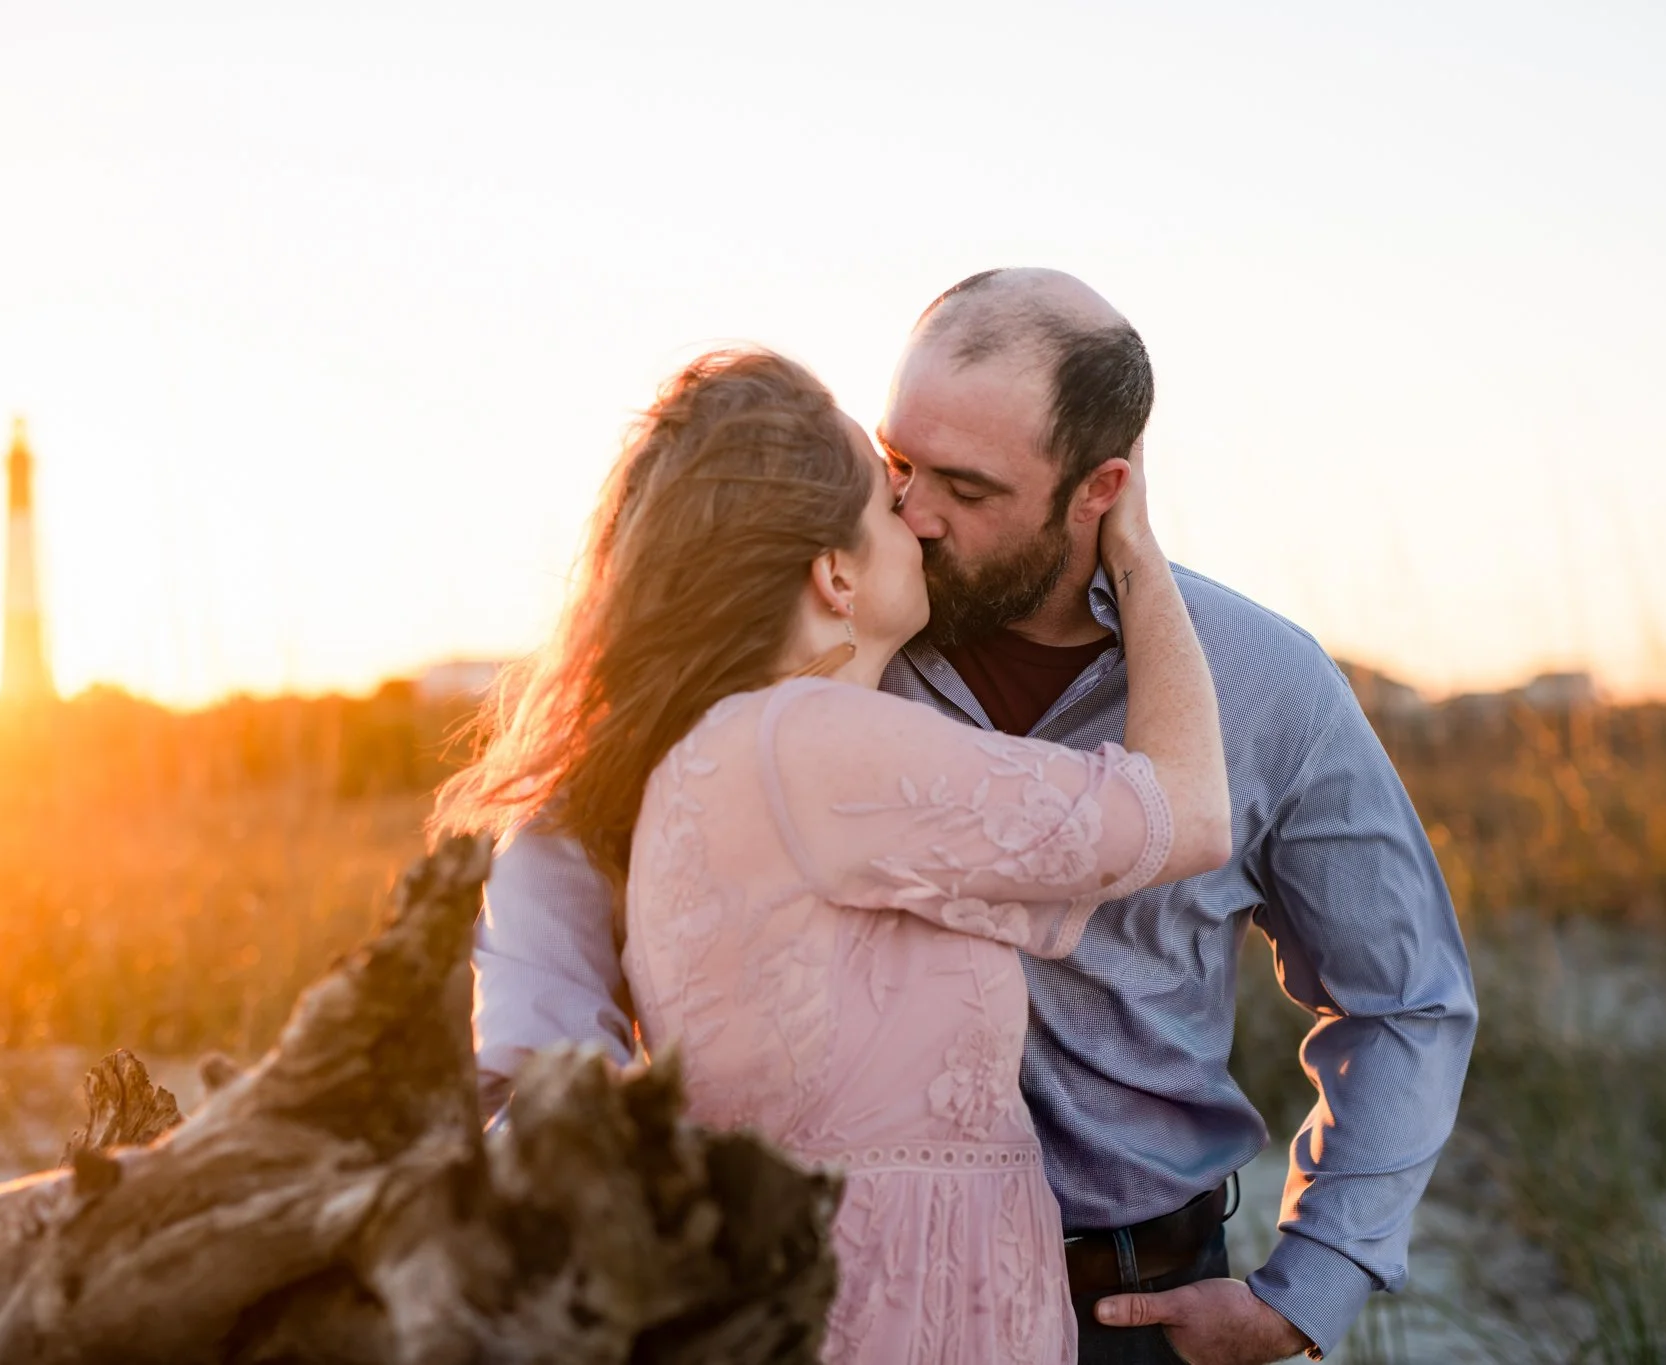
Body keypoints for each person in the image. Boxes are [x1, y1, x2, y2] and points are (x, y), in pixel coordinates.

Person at [469, 270, 1479, 1365]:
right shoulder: (830, 634)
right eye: (897, 464)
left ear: (1099, 490)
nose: (915, 512)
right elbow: (572, 841)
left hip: (1134, 1306)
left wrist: (1309, 1285)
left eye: (965, 486)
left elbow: (1404, 994)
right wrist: (578, 1164)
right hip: (814, 1305)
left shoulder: (1262, 683)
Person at [435, 347, 1231, 1364]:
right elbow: (1187, 816)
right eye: (889, 496)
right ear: (833, 573)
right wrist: (1137, 554)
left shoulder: (731, 755)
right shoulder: (798, 746)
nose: (920, 517)